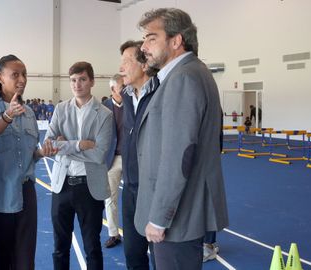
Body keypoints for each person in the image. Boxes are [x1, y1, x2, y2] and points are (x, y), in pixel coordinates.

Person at [135, 8, 229, 269]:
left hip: (177, 218)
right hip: (182, 213)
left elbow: (179, 154)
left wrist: (159, 218)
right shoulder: (188, 73)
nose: (144, 47)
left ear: (176, 41)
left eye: (151, 38)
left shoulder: (183, 78)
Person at [0, 54, 47, 270]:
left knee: (24, 258)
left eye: (24, 74)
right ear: (0, 77)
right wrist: (6, 117)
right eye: (15, 74)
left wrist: (41, 153)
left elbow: (27, 154)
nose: (22, 79)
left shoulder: (29, 112)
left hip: (25, 194)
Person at [43, 61, 113, 270]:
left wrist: (65, 146)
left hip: (89, 188)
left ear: (91, 81)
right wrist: (81, 144)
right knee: (59, 246)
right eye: (73, 80)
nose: (77, 84)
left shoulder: (105, 114)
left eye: (82, 79)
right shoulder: (61, 109)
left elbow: (100, 154)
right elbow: (48, 144)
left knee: (92, 247)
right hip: (62, 186)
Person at [118, 40, 158, 270]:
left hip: (153, 191)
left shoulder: (161, 93)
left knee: (160, 256)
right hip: (130, 189)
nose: (121, 67)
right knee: (133, 255)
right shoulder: (126, 96)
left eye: (127, 61)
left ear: (144, 65)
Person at [102, 73, 124, 248]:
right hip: (112, 159)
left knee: (138, 197)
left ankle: (139, 233)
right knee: (110, 199)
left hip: (132, 159)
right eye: (122, 87)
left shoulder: (133, 105)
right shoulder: (103, 108)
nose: (126, 90)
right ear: (112, 89)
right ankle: (113, 234)